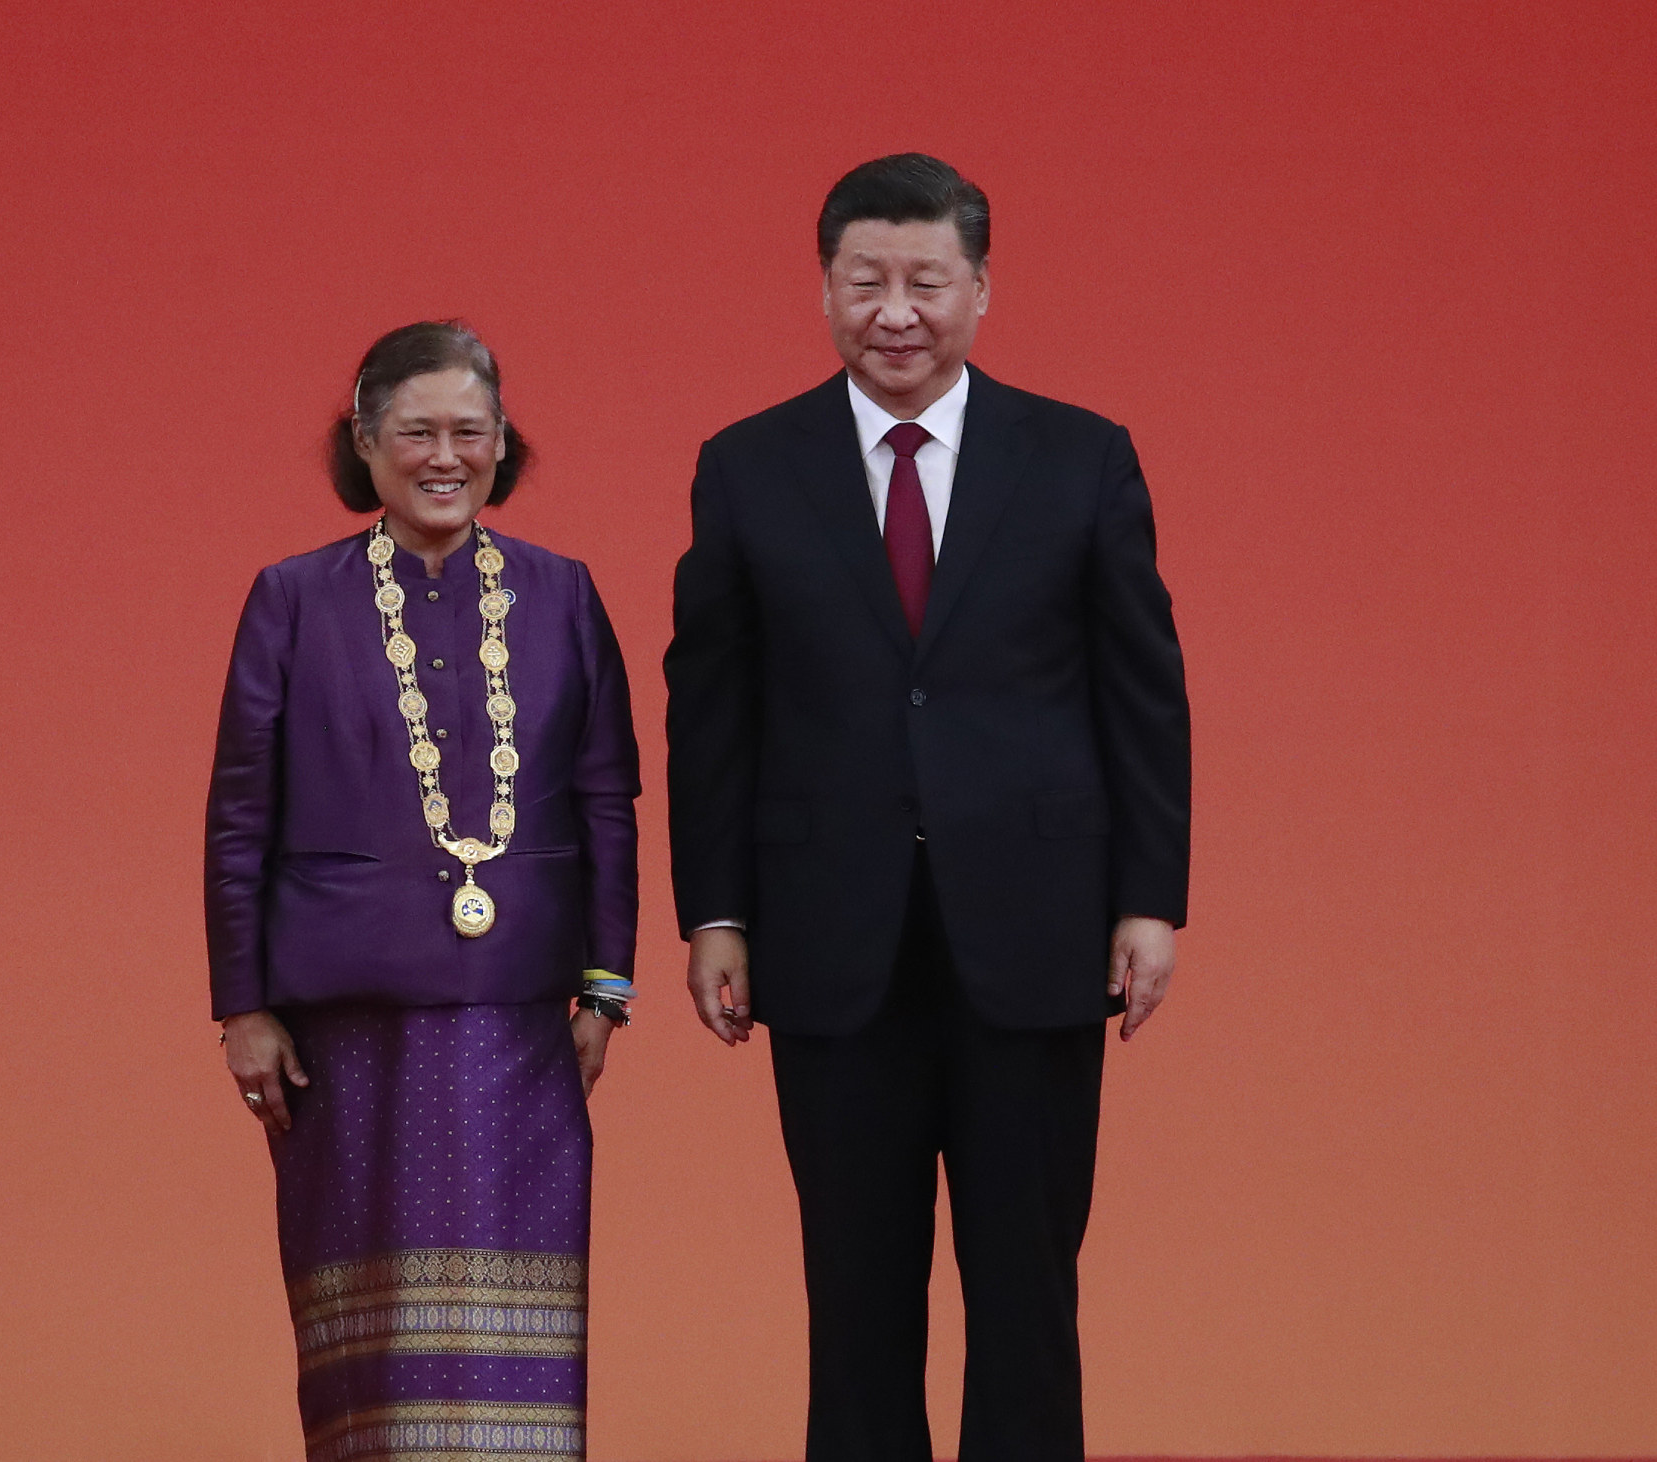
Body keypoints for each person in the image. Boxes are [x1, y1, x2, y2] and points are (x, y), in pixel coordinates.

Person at [664, 154, 1190, 1461]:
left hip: (1034, 930)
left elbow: (1140, 693)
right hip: (829, 939)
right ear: (823, 289)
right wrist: (715, 911)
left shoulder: (1079, 458)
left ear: (980, 289)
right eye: (865, 282)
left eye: (925, 282)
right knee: (852, 1302)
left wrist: (1147, 900)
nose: (894, 313)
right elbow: (711, 709)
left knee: (1026, 1297)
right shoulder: (747, 466)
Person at [206, 320, 638, 1461]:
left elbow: (606, 801)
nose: (446, 457)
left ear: (502, 441)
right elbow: (240, 814)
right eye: (417, 432)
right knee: (371, 1333)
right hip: (343, 1024)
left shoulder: (562, 592)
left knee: (516, 1322)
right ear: (364, 441)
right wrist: (241, 1005)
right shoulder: (292, 598)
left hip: (517, 1017)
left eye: (470, 431)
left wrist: (606, 989)